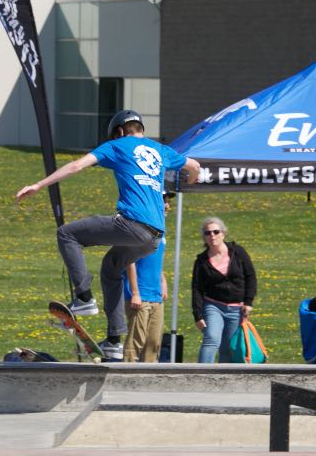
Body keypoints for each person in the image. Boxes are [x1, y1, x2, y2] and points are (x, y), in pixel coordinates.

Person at [15, 110, 199, 360]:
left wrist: (38, 185)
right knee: (111, 268)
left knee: (67, 234)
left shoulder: (117, 144)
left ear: (120, 131)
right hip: (154, 237)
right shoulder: (161, 150)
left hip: (132, 224)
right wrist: (190, 182)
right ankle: (114, 339)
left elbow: (77, 165)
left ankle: (84, 297)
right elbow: (195, 166)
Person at [191, 216, 258, 363]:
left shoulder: (238, 252)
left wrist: (248, 302)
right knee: (212, 338)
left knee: (228, 347)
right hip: (213, 306)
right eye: (208, 233)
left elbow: (250, 276)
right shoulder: (201, 261)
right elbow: (197, 288)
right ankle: (200, 375)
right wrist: (197, 314)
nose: (212, 236)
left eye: (216, 232)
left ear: (223, 234)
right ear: (204, 237)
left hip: (236, 308)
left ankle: (223, 381)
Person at [122, 194, 170, 362]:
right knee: (135, 342)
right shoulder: (141, 226)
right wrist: (135, 292)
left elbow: (154, 260)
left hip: (156, 295)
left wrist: (163, 281)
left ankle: (147, 382)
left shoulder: (160, 229)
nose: (167, 206)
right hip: (140, 295)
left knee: (154, 343)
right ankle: (125, 379)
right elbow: (129, 261)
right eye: (163, 202)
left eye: (167, 202)